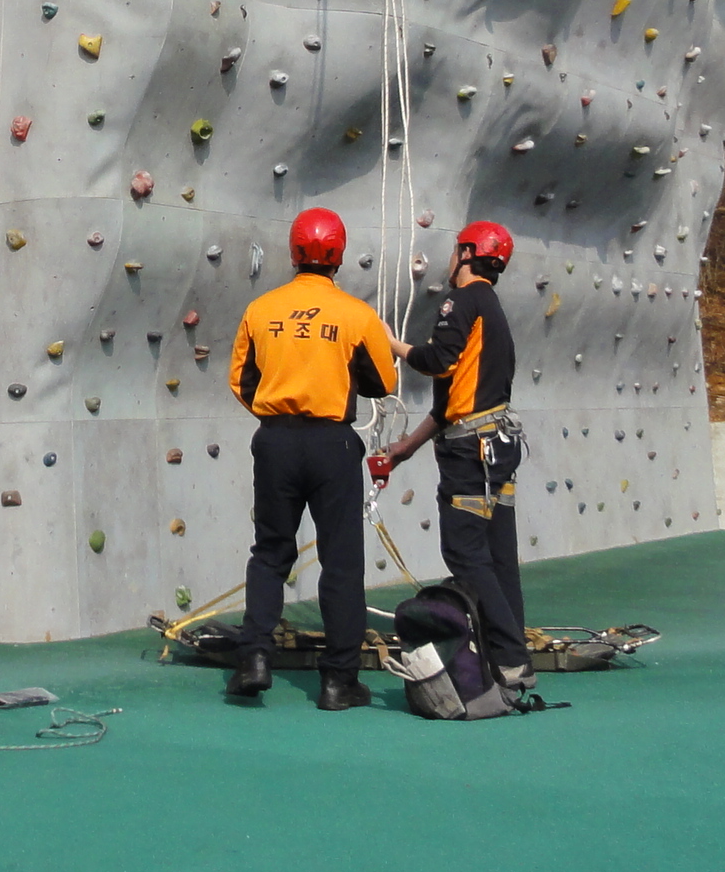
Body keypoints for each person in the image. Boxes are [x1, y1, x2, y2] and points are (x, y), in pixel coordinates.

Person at [225, 206, 407, 710]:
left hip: (275, 441)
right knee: (341, 562)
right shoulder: (356, 314)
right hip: (333, 444)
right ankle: (338, 680)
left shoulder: (261, 309)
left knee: (270, 552)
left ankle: (253, 658)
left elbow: (241, 380)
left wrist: (277, 414)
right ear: (339, 256)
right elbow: (383, 382)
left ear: (293, 252)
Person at [375, 222, 534, 691]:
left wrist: (391, 343)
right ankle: (509, 658)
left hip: (471, 452)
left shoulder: (461, 301)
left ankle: (510, 656)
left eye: (454, 251)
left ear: (466, 254)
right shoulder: (492, 309)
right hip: (496, 443)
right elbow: (453, 400)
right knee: (498, 555)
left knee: (465, 552)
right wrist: (407, 447)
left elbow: (437, 361)